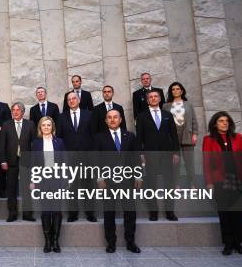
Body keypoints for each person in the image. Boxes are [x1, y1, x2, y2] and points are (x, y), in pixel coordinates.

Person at [203, 112, 242, 256]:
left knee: (237, 212)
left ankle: (238, 243)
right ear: (215, 124)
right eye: (221, 121)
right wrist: (209, 182)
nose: (224, 123)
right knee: (224, 213)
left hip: (238, 179)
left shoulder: (237, 138)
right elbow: (206, 162)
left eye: (226, 121)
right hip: (220, 180)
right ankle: (228, 244)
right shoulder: (208, 140)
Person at [94, 109, 141, 254]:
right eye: (109, 117)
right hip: (108, 181)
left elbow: (135, 158)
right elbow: (95, 160)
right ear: (106, 121)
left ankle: (130, 242)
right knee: (109, 213)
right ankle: (111, 243)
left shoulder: (130, 136)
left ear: (120, 120)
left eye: (115, 117)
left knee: (130, 212)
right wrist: (99, 178)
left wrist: (138, 176)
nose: (112, 120)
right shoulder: (99, 137)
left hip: (127, 180)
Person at [136, 89, 180, 221]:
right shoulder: (142, 116)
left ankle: (169, 212)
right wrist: (140, 153)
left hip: (167, 154)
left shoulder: (168, 115)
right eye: (151, 97)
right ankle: (153, 211)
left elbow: (174, 136)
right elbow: (139, 137)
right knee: (150, 183)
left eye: (156, 96)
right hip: (150, 154)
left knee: (169, 183)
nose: (154, 98)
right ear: (148, 100)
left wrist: (176, 153)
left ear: (160, 99)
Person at [57, 91, 97, 222]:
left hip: (87, 155)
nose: (72, 101)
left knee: (88, 185)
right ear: (67, 102)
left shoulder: (89, 115)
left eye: (74, 98)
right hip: (69, 156)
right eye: (69, 99)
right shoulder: (62, 117)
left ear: (79, 100)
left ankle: (90, 213)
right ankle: (72, 214)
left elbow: (94, 135)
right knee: (71, 185)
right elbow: (60, 138)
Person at [31, 117, 65, 253]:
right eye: (43, 125)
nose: (46, 127)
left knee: (57, 211)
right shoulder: (36, 143)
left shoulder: (60, 142)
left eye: (48, 125)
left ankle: (56, 241)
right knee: (45, 211)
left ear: (52, 127)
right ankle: (48, 241)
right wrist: (33, 180)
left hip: (57, 179)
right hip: (42, 180)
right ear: (40, 127)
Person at [0, 102, 36, 222]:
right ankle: (12, 213)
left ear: (23, 112)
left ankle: (28, 214)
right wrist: (3, 160)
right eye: (13, 110)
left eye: (18, 110)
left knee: (27, 188)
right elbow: (2, 145)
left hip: (27, 160)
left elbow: (34, 144)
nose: (15, 112)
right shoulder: (6, 125)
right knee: (11, 188)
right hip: (10, 161)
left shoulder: (30, 124)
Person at [163, 82, 198, 187]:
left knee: (189, 163)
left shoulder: (188, 104)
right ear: (171, 92)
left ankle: (193, 184)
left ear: (182, 91)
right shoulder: (165, 106)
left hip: (187, 135)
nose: (175, 91)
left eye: (177, 89)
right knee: (175, 163)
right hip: (172, 137)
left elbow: (194, 120)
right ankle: (176, 185)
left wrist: (195, 133)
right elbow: (164, 122)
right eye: (173, 89)